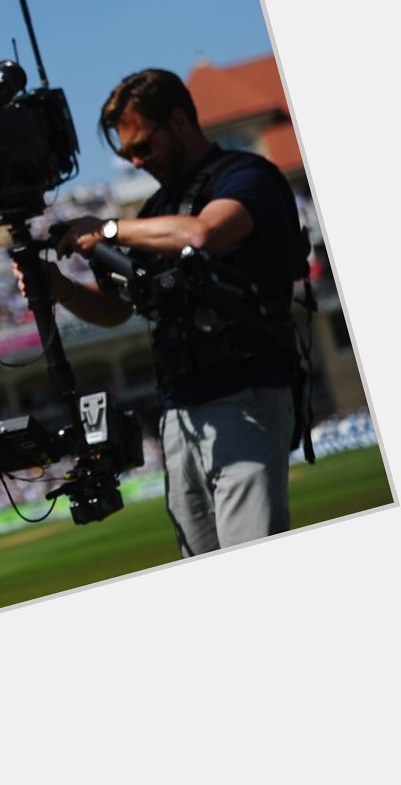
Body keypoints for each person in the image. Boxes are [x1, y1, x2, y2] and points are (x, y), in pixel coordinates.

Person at [16, 68, 309, 557]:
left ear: (179, 122)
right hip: (179, 411)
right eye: (126, 152)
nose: (135, 160)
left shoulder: (244, 174)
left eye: (142, 146)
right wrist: (58, 287)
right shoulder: (157, 208)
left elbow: (202, 234)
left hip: (246, 395)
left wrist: (110, 230)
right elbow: (114, 311)